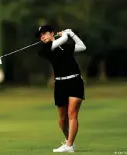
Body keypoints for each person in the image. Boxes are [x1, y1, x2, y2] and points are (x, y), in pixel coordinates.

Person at [35, 25, 86, 153]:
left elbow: (82, 46)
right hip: (60, 84)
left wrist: (72, 34)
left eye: (44, 33)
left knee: (72, 114)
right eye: (40, 36)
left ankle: (69, 145)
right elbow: (62, 40)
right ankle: (69, 141)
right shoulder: (45, 49)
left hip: (75, 81)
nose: (42, 37)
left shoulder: (66, 47)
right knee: (62, 119)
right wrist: (66, 34)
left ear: (52, 33)